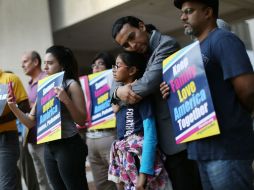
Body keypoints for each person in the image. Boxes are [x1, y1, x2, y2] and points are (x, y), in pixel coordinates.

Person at [160, 0, 254, 189]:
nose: (182, 17)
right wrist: (173, 92)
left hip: (227, 150)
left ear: (208, 12)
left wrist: (235, 118)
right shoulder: (190, 54)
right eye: (182, 12)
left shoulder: (223, 40)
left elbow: (249, 91)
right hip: (201, 151)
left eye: (189, 11)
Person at [110, 16, 202, 190]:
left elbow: (147, 84)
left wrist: (120, 96)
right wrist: (117, 92)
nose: (132, 45)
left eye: (132, 37)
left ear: (142, 26)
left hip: (174, 138)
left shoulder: (166, 44)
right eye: (126, 45)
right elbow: (116, 82)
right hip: (148, 147)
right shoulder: (131, 55)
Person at [7, 45, 89, 190]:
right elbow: (30, 122)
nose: (45, 67)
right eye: (44, 63)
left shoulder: (71, 85)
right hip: (49, 147)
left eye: (50, 63)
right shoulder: (45, 87)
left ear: (62, 66)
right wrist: (13, 107)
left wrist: (66, 99)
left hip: (69, 145)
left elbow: (81, 120)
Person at [109, 51, 172, 190]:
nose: (114, 70)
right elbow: (114, 107)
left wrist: (143, 175)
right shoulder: (119, 98)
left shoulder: (141, 97)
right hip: (126, 160)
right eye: (114, 65)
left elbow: (150, 136)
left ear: (132, 70)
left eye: (118, 66)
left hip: (140, 160)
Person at [86, 52, 117, 190]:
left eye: (100, 64)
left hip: (110, 135)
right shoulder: (87, 88)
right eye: (94, 65)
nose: (96, 68)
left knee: (120, 181)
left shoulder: (116, 84)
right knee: (102, 185)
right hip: (91, 138)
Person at [21, 51, 51, 190]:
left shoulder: (46, 78)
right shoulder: (29, 84)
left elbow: (49, 104)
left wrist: (30, 108)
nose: (22, 65)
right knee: (41, 180)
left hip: (46, 138)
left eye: (25, 61)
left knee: (52, 179)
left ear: (35, 62)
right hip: (32, 139)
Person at [0, 70, 30, 190]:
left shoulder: (10, 79)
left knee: (5, 185)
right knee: (11, 180)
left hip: (5, 137)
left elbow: (24, 106)